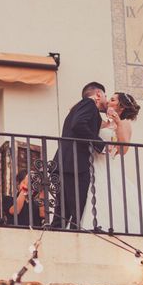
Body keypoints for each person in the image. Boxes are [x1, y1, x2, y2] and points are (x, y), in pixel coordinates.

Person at [81, 92, 143, 235]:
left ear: (120, 106)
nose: (108, 101)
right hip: (92, 164)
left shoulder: (125, 123)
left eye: (113, 100)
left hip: (106, 166)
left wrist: (117, 122)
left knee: (110, 198)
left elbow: (124, 149)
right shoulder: (102, 120)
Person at [51, 82, 108, 229]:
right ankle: (73, 240)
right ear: (98, 94)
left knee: (62, 213)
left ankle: (56, 242)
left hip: (66, 163)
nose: (106, 99)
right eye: (105, 96)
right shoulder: (89, 104)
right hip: (75, 165)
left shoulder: (79, 107)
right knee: (77, 212)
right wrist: (99, 144)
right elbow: (78, 124)